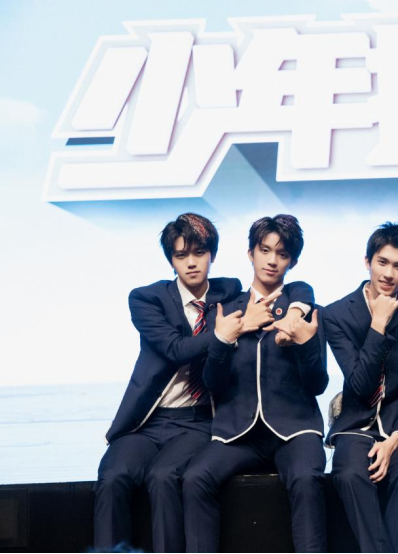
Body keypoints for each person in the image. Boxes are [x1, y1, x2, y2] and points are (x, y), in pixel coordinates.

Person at [94, 213, 241, 553]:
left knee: (163, 478)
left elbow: (284, 287)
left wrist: (297, 304)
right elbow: (176, 349)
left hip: (197, 421)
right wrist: (222, 334)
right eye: (180, 255)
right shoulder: (146, 299)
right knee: (113, 477)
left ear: (212, 255)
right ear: (171, 260)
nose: (191, 263)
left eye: (199, 253)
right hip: (146, 422)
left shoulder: (230, 291)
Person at [182, 214, 328, 553]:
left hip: (295, 429)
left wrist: (305, 344)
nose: (272, 260)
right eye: (265, 250)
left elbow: (317, 384)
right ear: (251, 253)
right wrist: (224, 339)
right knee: (194, 479)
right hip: (237, 433)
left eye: (282, 254)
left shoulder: (305, 310)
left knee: (307, 479)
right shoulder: (226, 309)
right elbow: (213, 383)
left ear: (292, 261)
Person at [325, 223, 398, 553]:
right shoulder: (337, 314)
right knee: (349, 474)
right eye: (382, 262)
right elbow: (360, 386)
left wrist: (395, 439)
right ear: (367, 262)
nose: (388, 274)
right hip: (357, 422)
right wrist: (377, 326)